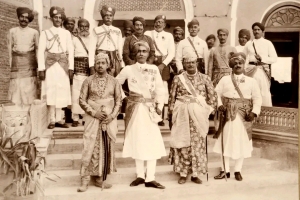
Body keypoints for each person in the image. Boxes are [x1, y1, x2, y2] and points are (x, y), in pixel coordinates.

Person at [116, 41, 166, 189]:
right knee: (137, 140)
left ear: (148, 53)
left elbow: (160, 89)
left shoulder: (154, 69)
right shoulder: (128, 69)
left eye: (144, 51)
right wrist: (125, 98)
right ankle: (139, 175)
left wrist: (160, 106)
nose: (141, 53)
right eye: (138, 51)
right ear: (134, 54)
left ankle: (150, 177)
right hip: (135, 109)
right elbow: (115, 83)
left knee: (151, 141)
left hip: (150, 108)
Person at [168, 54, 217, 184]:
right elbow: (172, 97)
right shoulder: (178, 79)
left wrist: (207, 112)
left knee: (197, 144)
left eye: (192, 62)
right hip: (182, 113)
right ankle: (183, 173)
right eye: (187, 62)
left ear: (197, 63)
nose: (190, 65)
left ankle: (195, 173)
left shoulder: (205, 78)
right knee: (183, 144)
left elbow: (212, 97)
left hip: (199, 115)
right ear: (184, 64)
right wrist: (171, 114)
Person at [213, 52, 262, 181]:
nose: (238, 65)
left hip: (244, 115)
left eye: (240, 63)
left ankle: (238, 170)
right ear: (232, 66)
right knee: (225, 141)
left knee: (242, 142)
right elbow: (215, 93)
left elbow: (257, 98)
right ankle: (225, 170)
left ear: (244, 65)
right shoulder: (225, 79)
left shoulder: (252, 81)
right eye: (235, 63)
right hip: (227, 114)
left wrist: (254, 112)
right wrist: (219, 105)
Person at [77, 53, 122, 192]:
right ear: (94, 65)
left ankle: (99, 177)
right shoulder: (88, 81)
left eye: (103, 63)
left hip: (108, 119)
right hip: (93, 117)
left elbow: (119, 101)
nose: (100, 65)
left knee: (105, 146)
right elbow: (81, 100)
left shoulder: (114, 81)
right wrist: (94, 112)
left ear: (108, 65)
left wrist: (112, 116)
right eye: (98, 63)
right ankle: (84, 179)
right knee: (89, 145)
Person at [38, 6, 74, 129]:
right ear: (52, 18)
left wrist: (71, 68)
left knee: (62, 91)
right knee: (51, 90)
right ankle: (52, 120)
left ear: (62, 19)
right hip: (50, 65)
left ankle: (60, 119)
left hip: (63, 65)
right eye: (55, 17)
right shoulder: (45, 33)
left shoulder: (66, 33)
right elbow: (41, 51)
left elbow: (71, 51)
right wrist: (41, 69)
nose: (58, 19)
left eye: (60, 17)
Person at [145, 15, 175, 126]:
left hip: (163, 63)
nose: (158, 24)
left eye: (161, 22)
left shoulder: (168, 36)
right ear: (154, 23)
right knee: (150, 87)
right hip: (151, 62)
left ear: (164, 24)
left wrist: (163, 64)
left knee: (162, 89)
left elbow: (171, 53)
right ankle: (150, 114)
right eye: (157, 22)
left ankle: (161, 116)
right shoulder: (148, 34)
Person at [7, 7, 39, 105]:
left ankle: (28, 113)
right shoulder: (12, 31)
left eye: (26, 17)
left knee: (29, 86)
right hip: (16, 63)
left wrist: (38, 65)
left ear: (29, 19)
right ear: (18, 17)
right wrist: (10, 64)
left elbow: (37, 49)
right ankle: (17, 111)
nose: (24, 19)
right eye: (22, 17)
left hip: (29, 63)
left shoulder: (34, 32)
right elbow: (9, 49)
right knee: (17, 86)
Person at [243, 22, 277, 106]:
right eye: (255, 30)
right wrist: (244, 68)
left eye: (258, 30)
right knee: (250, 90)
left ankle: (264, 114)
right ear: (253, 31)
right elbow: (244, 58)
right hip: (250, 70)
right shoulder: (249, 44)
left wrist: (262, 58)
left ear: (262, 31)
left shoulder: (268, 43)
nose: (256, 31)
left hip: (262, 70)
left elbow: (274, 58)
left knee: (263, 92)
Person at [89, 5, 123, 77]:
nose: (108, 17)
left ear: (113, 17)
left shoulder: (117, 31)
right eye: (106, 15)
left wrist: (122, 65)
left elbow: (120, 49)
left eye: (110, 15)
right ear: (103, 17)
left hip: (114, 59)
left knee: (114, 80)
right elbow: (92, 49)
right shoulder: (96, 30)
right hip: (101, 58)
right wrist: (91, 66)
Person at [71, 18, 91, 127]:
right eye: (82, 26)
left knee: (87, 93)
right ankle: (75, 117)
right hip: (77, 67)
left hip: (89, 68)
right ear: (78, 28)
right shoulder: (74, 40)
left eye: (86, 26)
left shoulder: (92, 39)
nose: (84, 28)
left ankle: (85, 117)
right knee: (76, 93)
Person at [168, 26, 184, 90]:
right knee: (170, 83)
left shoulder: (184, 44)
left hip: (180, 66)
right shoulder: (170, 43)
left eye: (179, 34)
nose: (177, 36)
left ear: (182, 36)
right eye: (176, 34)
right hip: (170, 65)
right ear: (174, 34)